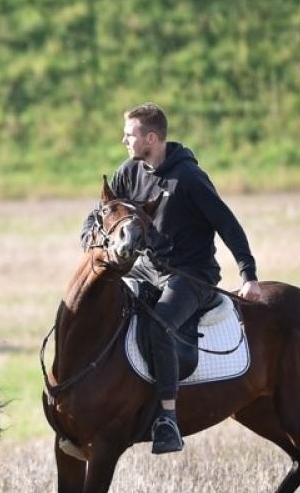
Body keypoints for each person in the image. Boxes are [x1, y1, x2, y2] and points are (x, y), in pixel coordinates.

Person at [110, 103, 262, 453]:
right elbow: (103, 212)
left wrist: (249, 274)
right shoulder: (128, 172)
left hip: (192, 276)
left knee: (160, 323)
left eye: (129, 134)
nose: (123, 140)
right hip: (146, 269)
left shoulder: (190, 179)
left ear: (151, 138)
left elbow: (228, 225)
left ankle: (166, 418)